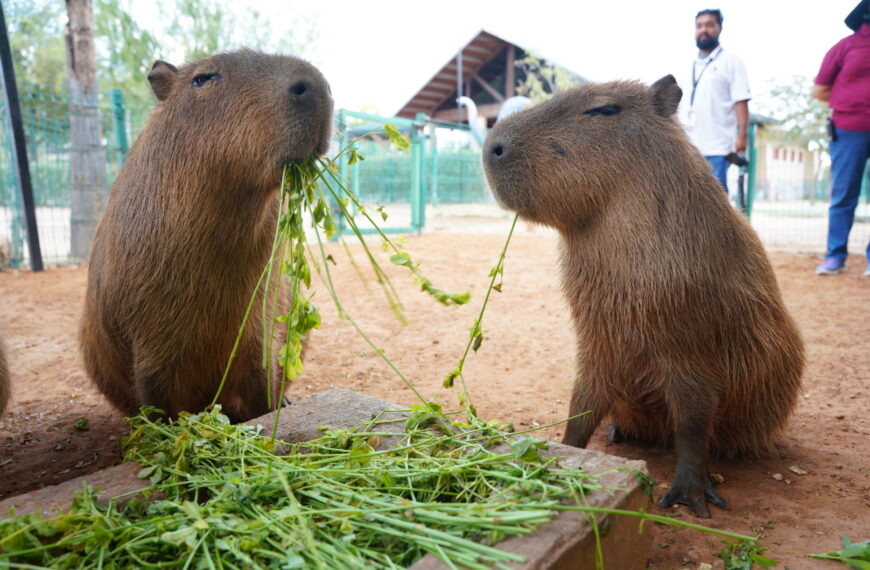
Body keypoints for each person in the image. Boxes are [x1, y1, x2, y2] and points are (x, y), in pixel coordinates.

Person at [812, 0, 870, 276]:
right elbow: (819, 90)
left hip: (850, 125)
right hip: (849, 130)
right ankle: (835, 255)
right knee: (844, 194)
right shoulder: (844, 47)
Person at [679, 8, 751, 192]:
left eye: (710, 25)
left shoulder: (730, 61)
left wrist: (742, 135)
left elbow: (741, 100)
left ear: (719, 28)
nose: (704, 30)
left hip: (717, 146)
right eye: (699, 25)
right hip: (689, 147)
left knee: (714, 202)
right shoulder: (689, 65)